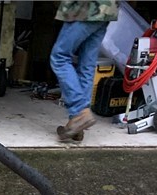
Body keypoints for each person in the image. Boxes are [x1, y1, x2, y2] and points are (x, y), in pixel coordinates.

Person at [50, 1, 119, 141]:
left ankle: (79, 112)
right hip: (106, 9)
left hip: (85, 8)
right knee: (86, 64)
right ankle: (77, 127)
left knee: (59, 57)